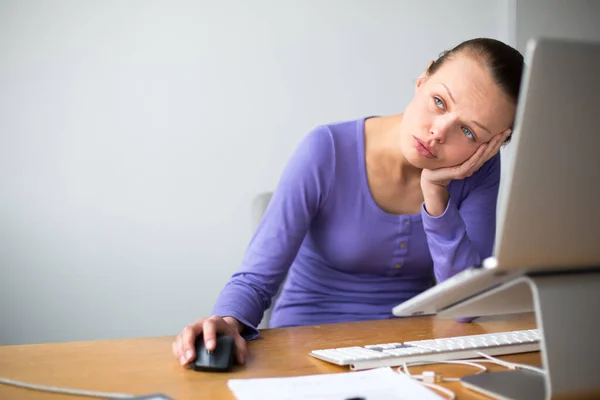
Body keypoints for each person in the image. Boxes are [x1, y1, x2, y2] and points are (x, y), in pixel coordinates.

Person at [172, 37, 524, 367]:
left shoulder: (475, 172)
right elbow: (256, 279)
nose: (438, 132)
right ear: (422, 78)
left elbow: (465, 305)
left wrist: (435, 193)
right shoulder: (326, 149)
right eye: (439, 102)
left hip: (409, 354)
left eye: (468, 132)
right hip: (304, 347)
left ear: (491, 145)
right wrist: (226, 321)